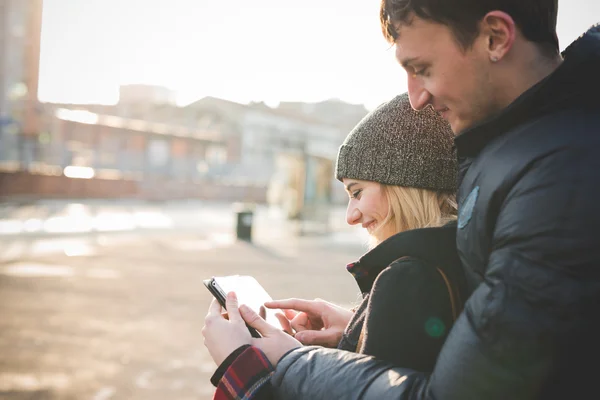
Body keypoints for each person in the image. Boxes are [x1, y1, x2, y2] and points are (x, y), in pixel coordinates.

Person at [203, 0, 600, 398]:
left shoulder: (560, 174)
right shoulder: (519, 149)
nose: (415, 99)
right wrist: (359, 328)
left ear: (495, 38)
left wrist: (275, 367)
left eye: (421, 69)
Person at [203, 93, 470, 397]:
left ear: (405, 184)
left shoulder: (410, 278)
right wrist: (357, 329)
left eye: (357, 192)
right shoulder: (457, 253)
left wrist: (241, 361)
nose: (350, 216)